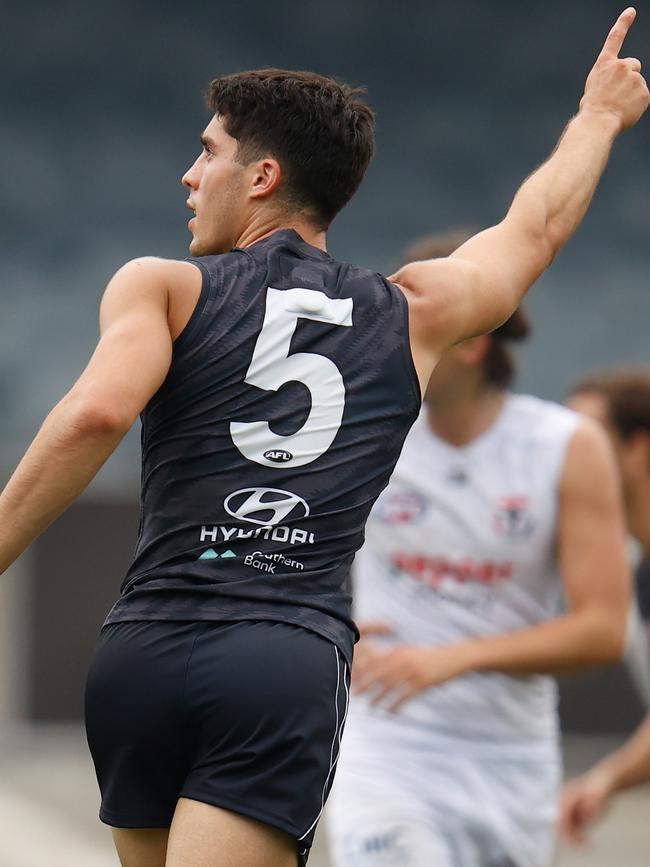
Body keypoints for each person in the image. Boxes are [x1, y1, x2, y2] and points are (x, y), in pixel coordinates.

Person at [0, 9, 646, 867]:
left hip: (143, 645)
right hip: (280, 655)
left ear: (263, 175)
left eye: (208, 152)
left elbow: (94, 414)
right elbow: (535, 230)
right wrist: (598, 118)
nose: (190, 176)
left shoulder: (161, 285)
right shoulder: (413, 313)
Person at [325, 228, 631, 867]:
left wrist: (448, 659)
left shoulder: (566, 446)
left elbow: (603, 630)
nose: (389, 340)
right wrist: (328, 629)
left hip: (509, 764)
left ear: (474, 341)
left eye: (410, 321)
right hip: (387, 751)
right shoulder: (359, 428)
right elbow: (276, 540)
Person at [560, 367, 650, 845]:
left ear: (638, 450)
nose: (567, 455)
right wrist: (607, 779)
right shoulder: (636, 570)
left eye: (587, 438)